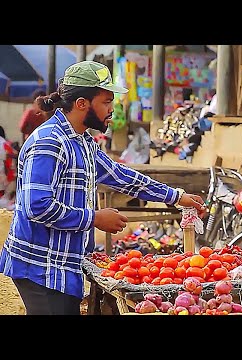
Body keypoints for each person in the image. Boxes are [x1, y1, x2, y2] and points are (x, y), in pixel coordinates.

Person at [0, 60, 206, 315]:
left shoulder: (83, 141)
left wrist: (177, 196)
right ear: (81, 104)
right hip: (41, 266)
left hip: (63, 265)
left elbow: (121, 176)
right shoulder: (49, 143)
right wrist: (95, 218)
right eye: (106, 101)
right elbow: (37, 207)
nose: (112, 108)